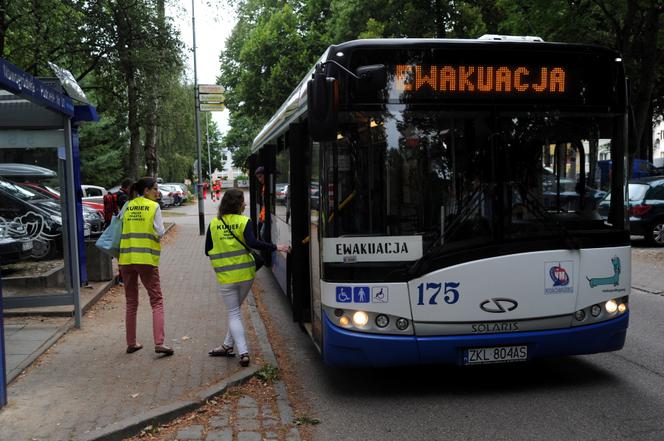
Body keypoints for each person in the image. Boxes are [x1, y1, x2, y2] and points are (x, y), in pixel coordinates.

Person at [205, 188, 289, 367]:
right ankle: (228, 345)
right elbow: (253, 243)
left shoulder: (213, 224)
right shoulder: (245, 221)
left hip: (226, 277)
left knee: (233, 312)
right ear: (237, 203)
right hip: (246, 275)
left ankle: (243, 353)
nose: (244, 203)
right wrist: (276, 247)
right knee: (235, 311)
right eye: (242, 200)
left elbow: (207, 250)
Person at [119, 177, 174, 356]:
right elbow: (159, 231)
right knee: (156, 301)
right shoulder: (153, 207)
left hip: (126, 259)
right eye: (155, 189)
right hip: (146, 259)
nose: (158, 192)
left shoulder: (127, 205)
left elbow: (119, 227)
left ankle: (131, 342)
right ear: (146, 191)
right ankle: (159, 343)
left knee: (131, 302)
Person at [255, 166, 267, 240]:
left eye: (260, 176)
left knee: (262, 234)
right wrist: (261, 216)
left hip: (266, 217)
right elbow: (264, 205)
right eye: (258, 178)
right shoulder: (264, 186)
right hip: (264, 216)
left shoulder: (267, 186)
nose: (259, 179)